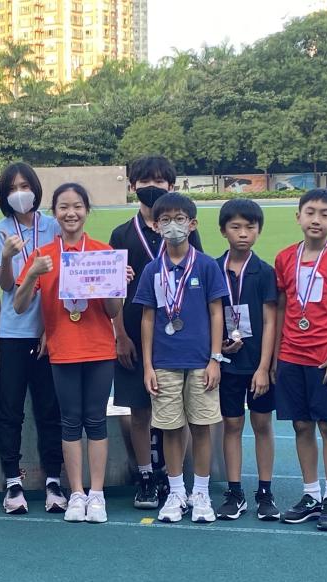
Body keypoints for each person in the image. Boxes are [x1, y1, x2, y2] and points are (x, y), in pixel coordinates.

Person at [14, 183, 132, 524]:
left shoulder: (102, 251)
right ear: (54, 212)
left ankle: (97, 494)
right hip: (63, 350)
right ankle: (76, 492)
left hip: (97, 349)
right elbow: (20, 307)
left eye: (77, 206)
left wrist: (117, 286)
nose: (71, 213)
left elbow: (111, 311)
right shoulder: (43, 257)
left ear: (86, 211)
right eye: (63, 207)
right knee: (69, 421)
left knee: (95, 420)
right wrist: (32, 275)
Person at [110, 156, 203, 510]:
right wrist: (119, 335)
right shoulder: (121, 234)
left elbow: (201, 285)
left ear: (173, 187)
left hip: (179, 339)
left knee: (177, 411)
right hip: (134, 333)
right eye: (145, 180)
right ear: (132, 186)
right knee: (139, 411)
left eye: (161, 181)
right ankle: (146, 475)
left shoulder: (182, 229)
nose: (153, 187)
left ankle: (173, 476)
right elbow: (112, 290)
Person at [133, 192, 227, 524]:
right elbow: (147, 318)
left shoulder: (206, 265)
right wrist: (147, 365)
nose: (173, 225)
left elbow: (217, 313)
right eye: (166, 220)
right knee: (171, 430)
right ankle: (176, 491)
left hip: (201, 362)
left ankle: (200, 492)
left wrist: (215, 358)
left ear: (192, 224)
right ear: (156, 226)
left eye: (179, 219)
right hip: (164, 363)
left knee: (201, 428)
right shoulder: (151, 270)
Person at [273, 189, 327, 531]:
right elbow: (281, 308)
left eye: (325, 214)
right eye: (310, 212)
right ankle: (310, 494)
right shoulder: (284, 258)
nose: (316, 219)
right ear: (298, 216)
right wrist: (276, 355)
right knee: (300, 425)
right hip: (292, 356)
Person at [0, 162, 67, 515]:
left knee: (50, 410)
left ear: (36, 188)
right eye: (13, 187)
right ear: (5, 195)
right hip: (12, 332)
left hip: (49, 331)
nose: (21, 192)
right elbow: (5, 286)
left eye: (26, 185)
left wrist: (51, 329)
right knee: (10, 411)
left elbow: (64, 279)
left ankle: (53, 480)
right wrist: (6, 259)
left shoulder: (52, 226)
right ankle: (12, 482)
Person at [214, 199, 280, 521]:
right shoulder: (212, 268)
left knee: (262, 424)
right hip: (226, 364)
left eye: (250, 227)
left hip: (257, 365)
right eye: (236, 227)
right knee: (232, 424)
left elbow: (271, 322)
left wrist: (264, 367)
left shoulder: (265, 272)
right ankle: (235, 491)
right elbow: (208, 316)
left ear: (259, 230)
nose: (243, 234)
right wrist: (217, 350)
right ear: (223, 230)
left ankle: (265, 491)